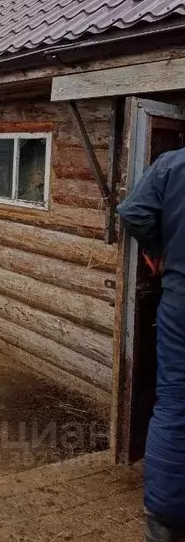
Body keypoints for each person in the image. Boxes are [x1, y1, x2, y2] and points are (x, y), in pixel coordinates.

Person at [118, 148, 185, 542]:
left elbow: (133, 212)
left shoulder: (172, 164)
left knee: (177, 403)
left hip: (181, 298)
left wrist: (157, 250)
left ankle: (163, 524)